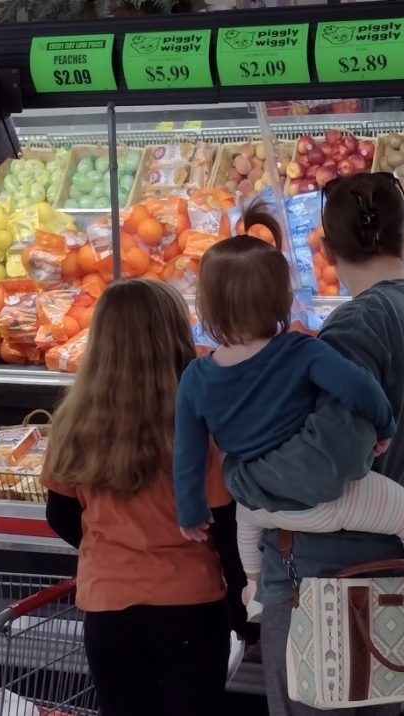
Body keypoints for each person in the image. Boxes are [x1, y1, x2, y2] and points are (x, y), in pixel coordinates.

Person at [173, 202, 404, 639]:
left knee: (246, 523)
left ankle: (253, 588)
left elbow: (188, 453)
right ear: (283, 299)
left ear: (206, 306)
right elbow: (361, 388)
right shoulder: (301, 351)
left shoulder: (196, 376)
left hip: (260, 504)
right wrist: (384, 426)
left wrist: (191, 510)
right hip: (324, 505)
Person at [221, 173, 404, 716]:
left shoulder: (357, 324)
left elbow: (325, 465)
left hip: (327, 588)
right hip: (396, 582)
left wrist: (241, 478)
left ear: (327, 250)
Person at [42, 279, 247, 716]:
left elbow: (59, 513)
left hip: (107, 607)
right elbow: (224, 520)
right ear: (175, 332)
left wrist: (113, 549)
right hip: (190, 603)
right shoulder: (201, 415)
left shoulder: (73, 419)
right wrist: (241, 602)